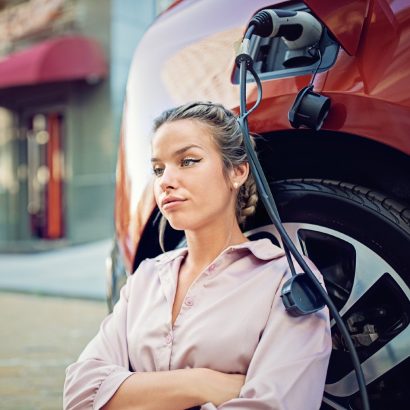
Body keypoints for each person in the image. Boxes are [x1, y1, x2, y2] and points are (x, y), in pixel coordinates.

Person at [63, 101, 332, 410]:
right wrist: (200, 383)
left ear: (238, 171)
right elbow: (80, 394)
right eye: (158, 169)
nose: (165, 181)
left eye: (188, 161)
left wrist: (131, 395)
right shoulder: (146, 278)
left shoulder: (285, 278)